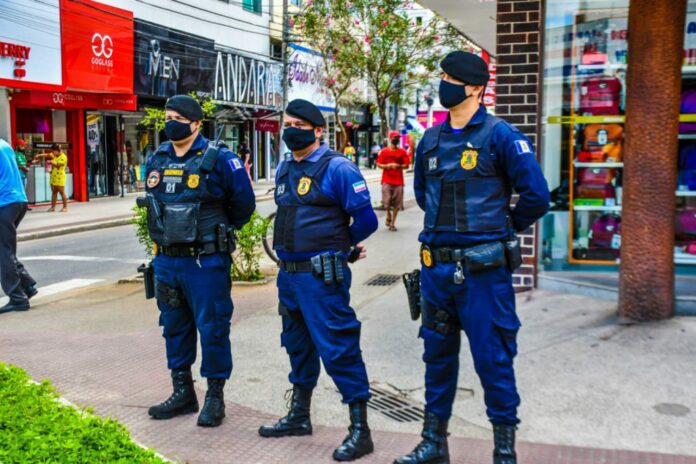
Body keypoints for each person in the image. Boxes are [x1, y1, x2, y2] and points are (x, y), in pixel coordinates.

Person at [394, 52, 550, 464]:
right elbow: (426, 195)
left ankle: (503, 451)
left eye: (451, 77)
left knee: (493, 358)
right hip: (436, 271)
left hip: (482, 273)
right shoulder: (430, 139)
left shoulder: (501, 136)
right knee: (435, 359)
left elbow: (536, 196)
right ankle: (433, 443)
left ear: (476, 88)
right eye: (442, 74)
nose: (443, 83)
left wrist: (502, 230)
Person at [259, 99, 379, 462]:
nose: (290, 128)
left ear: (318, 130)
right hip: (289, 277)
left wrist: (340, 250)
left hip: (321, 278)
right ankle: (299, 416)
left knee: (339, 348)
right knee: (298, 347)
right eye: (288, 122)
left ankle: (360, 431)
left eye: (299, 123)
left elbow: (366, 221)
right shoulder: (284, 168)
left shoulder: (338, 168)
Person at [142, 95, 255, 428]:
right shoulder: (157, 158)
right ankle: (183, 393)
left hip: (205, 262)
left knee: (213, 328)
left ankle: (215, 397)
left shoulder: (220, 159)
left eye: (177, 117)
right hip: (167, 262)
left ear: (195, 123)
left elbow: (243, 206)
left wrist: (216, 234)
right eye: (167, 117)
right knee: (173, 328)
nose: (170, 122)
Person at [0, 139, 37, 315]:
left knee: (4, 252)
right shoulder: (4, 144)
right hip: (18, 201)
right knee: (6, 248)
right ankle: (26, 285)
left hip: (4, 203)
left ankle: (17, 298)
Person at [377, 131, 409, 231]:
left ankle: (392, 224)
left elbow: (407, 165)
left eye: (398, 138)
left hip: (398, 181)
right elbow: (379, 164)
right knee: (386, 201)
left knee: (397, 203)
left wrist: (398, 166)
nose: (397, 139)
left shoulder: (402, 152)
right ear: (391, 139)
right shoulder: (384, 151)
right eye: (395, 137)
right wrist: (388, 166)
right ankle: (388, 214)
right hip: (386, 179)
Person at [35, 144, 69, 212]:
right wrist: (39, 155)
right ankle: (53, 207)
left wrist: (51, 162)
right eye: (53, 151)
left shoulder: (63, 157)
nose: (53, 153)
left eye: (54, 151)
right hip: (53, 176)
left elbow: (58, 165)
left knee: (62, 192)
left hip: (60, 177)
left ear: (58, 151)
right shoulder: (55, 155)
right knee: (54, 192)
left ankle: (65, 207)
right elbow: (47, 155)